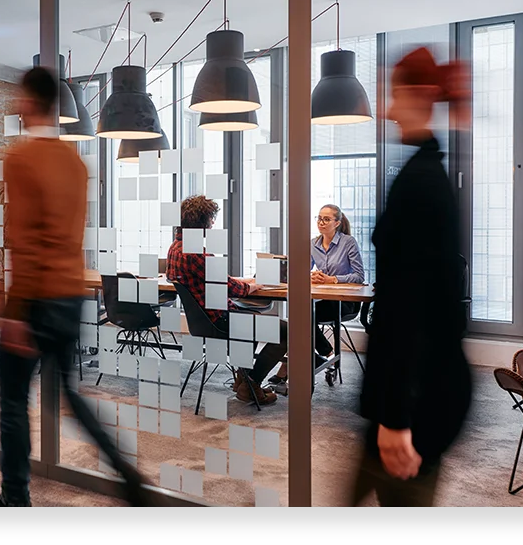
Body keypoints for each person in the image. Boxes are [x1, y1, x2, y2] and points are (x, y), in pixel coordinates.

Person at [0, 66, 148, 508]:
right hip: (69, 296)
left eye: (20, 98)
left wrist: (14, 312)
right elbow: (67, 234)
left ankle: (15, 499)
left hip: (35, 299)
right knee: (67, 392)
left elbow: (25, 239)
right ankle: (128, 476)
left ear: (31, 102)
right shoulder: (76, 163)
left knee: (12, 401)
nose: (17, 105)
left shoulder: (21, 158)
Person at [350, 46, 472, 507]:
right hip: (405, 390)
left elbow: (413, 311)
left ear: (418, 95)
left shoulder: (422, 184)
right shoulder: (421, 172)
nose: (386, 108)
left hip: (417, 397)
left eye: (394, 94)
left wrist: (397, 418)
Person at [166, 195, 309, 406]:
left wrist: (239, 281)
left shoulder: (174, 248)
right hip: (220, 321)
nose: (212, 225)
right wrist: (252, 285)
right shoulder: (195, 252)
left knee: (253, 319)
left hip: (203, 321)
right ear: (202, 223)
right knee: (287, 331)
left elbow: (213, 279)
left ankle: (244, 382)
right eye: (211, 220)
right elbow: (231, 288)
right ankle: (251, 383)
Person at [269, 204, 364, 386]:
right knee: (301, 315)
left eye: (326, 219)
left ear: (337, 223)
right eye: (319, 218)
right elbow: (301, 270)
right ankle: (326, 355)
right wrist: (310, 275)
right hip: (319, 301)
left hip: (343, 302)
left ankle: (296, 365)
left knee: (301, 317)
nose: (321, 222)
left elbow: (360, 276)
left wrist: (332, 279)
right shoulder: (313, 244)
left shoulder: (348, 242)